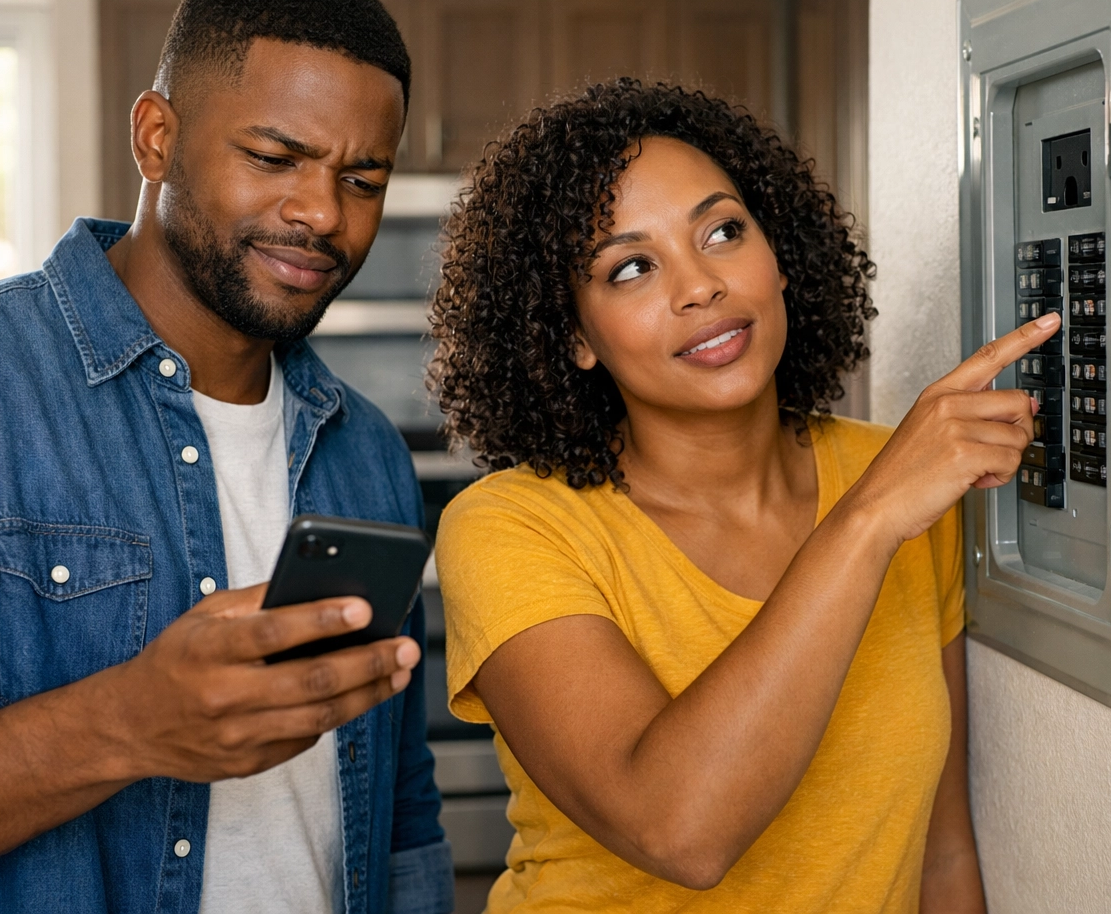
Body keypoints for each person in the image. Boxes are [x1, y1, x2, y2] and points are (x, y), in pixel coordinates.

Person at [0, 0, 453, 914]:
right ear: (156, 138)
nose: (322, 213)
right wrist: (129, 725)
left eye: (362, 177)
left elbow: (399, 805)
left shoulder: (364, 452)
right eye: (274, 159)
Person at [429, 80, 1059, 913]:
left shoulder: (905, 482)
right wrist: (867, 519)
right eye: (632, 268)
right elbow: (678, 830)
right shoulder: (511, 527)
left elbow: (940, 855)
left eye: (723, 230)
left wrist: (885, 497)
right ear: (573, 337)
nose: (700, 287)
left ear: (780, 255)